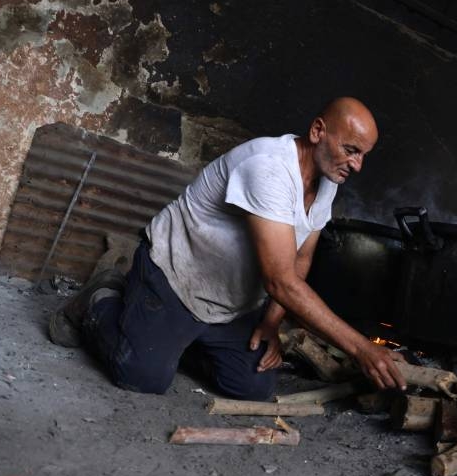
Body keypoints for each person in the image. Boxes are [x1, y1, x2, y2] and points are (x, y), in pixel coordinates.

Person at [49, 97, 406, 399]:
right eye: (351, 150)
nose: (357, 165)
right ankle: (102, 298)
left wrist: (270, 322)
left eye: (363, 156)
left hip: (227, 302)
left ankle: (173, 342)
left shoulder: (327, 181)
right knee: (142, 376)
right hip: (175, 277)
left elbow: (302, 256)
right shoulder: (269, 168)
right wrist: (362, 348)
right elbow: (280, 281)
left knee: (254, 385)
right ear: (317, 132)